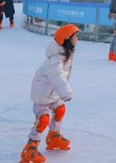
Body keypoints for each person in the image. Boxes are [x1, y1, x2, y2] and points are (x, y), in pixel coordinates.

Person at [20, 24, 80, 163]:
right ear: (66, 39)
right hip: (42, 95)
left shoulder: (66, 53)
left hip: (52, 93)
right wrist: (66, 93)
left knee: (60, 109)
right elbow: (57, 76)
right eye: (75, 36)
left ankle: (53, 136)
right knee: (43, 120)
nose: (77, 39)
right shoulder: (55, 60)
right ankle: (30, 148)